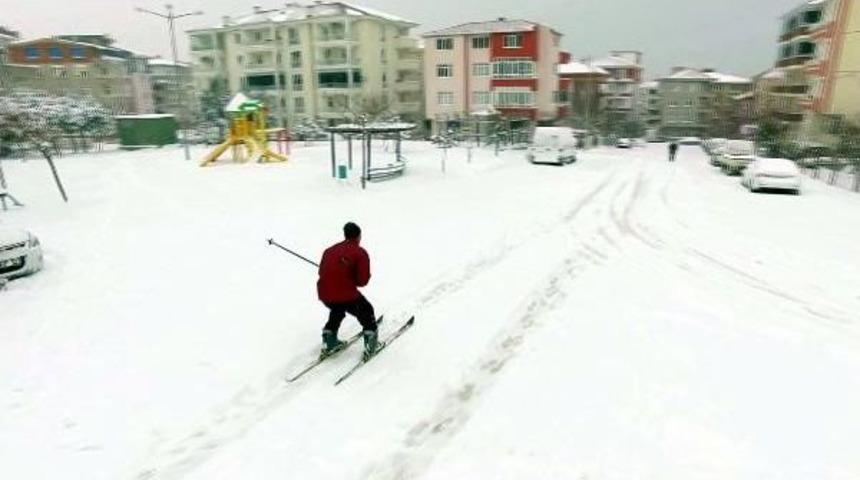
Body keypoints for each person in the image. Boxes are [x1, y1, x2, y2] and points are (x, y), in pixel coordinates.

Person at [317, 222, 380, 359]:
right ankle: (371, 342)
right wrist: (352, 277)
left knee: (338, 309)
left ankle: (329, 338)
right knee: (366, 310)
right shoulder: (360, 253)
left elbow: (321, 271)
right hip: (344, 293)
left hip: (324, 293)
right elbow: (362, 281)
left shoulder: (329, 250)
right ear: (359, 236)